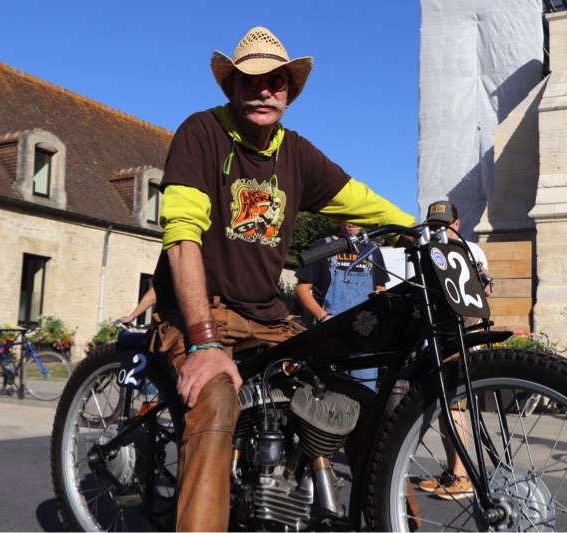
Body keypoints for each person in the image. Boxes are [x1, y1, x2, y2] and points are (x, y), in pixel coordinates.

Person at [149, 26, 415, 531]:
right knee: (216, 402)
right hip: (204, 312)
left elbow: (365, 202)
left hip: (269, 318)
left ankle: (395, 523)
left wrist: (423, 232)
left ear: (289, 93)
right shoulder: (201, 133)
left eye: (276, 81)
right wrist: (203, 341)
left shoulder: (296, 154)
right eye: (250, 80)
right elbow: (182, 236)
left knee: (359, 403)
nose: (264, 89)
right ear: (231, 87)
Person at [416, 200, 493, 500]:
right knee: (443, 405)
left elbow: (485, 289)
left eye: (444, 224)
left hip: (460, 332)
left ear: (457, 224)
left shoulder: (471, 250)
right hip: (439, 334)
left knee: (454, 404)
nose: (438, 230)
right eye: (434, 225)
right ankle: (452, 471)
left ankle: (461, 476)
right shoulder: (428, 249)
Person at [294, 221, 390, 390]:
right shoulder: (322, 247)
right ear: (340, 218)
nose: (353, 221)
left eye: (358, 217)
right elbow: (302, 289)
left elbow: (380, 287)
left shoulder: (372, 249)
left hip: (364, 332)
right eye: (349, 217)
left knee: (365, 392)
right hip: (331, 331)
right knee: (330, 390)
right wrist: (324, 318)